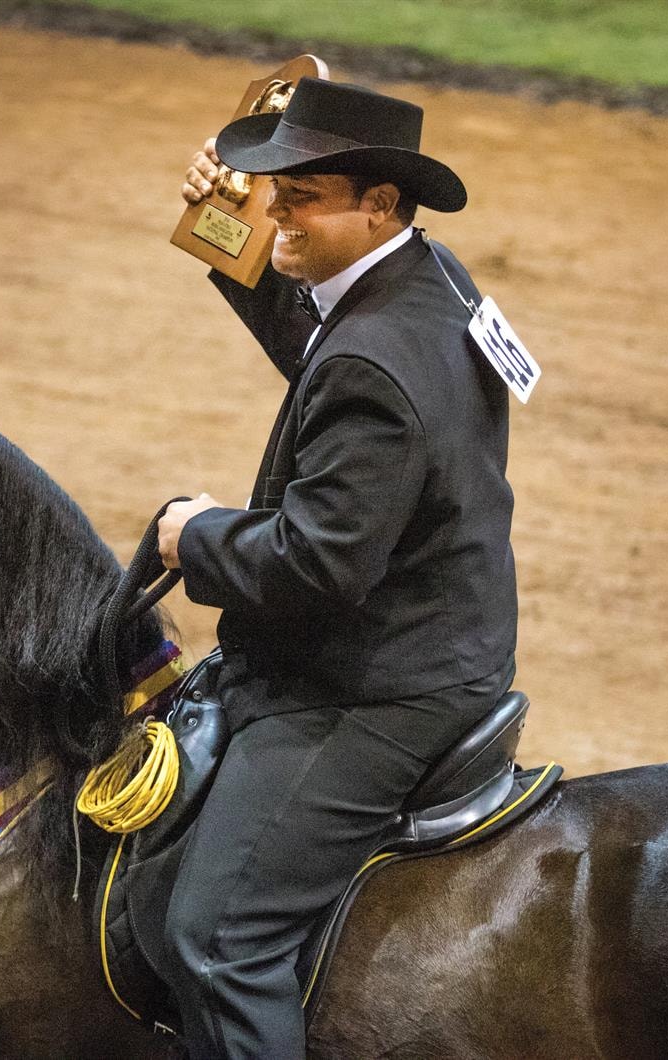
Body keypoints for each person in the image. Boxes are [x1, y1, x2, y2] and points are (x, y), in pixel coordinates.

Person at [154, 77, 518, 1059]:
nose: (274, 210)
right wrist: (219, 227)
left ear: (379, 206)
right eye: (271, 191)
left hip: (376, 684)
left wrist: (194, 534)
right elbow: (327, 346)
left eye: (299, 197)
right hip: (452, 630)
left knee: (218, 938)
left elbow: (319, 562)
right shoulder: (432, 284)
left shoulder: (373, 356)